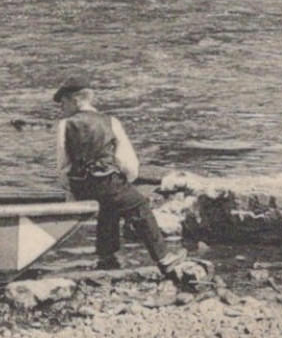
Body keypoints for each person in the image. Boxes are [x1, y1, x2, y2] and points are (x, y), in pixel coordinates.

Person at [51, 79, 187, 274]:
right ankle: (163, 258)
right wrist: (128, 180)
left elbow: (63, 163)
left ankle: (107, 258)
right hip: (106, 181)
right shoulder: (110, 122)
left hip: (81, 185)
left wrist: (69, 189)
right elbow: (127, 162)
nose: (61, 107)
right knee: (139, 204)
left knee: (110, 207)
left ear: (76, 100)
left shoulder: (65, 125)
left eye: (63, 102)